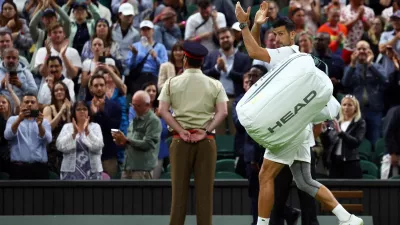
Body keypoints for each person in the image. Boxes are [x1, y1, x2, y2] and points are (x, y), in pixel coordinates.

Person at [235, 2, 363, 225]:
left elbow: (253, 51)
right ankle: (347, 218)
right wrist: (255, 25)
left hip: (288, 128)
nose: (276, 38)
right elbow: (254, 49)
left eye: (281, 34)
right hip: (300, 128)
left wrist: (244, 24)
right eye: (274, 34)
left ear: (292, 35)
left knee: (265, 175)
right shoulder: (295, 58)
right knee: (305, 181)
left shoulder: (286, 53)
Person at [158, 41, 228, 225]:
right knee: (205, 196)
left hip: (180, 141)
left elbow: (162, 110)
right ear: (202, 62)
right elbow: (223, 112)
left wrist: (181, 130)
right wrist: (205, 130)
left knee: (178, 196)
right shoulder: (215, 84)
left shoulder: (171, 83)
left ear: (185, 60)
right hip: (206, 141)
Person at [113, 91, 162, 179]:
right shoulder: (134, 120)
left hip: (142, 169)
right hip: (127, 167)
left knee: (140, 193)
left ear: (147, 105)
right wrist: (121, 142)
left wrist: (127, 140)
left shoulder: (153, 121)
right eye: (133, 105)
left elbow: (148, 144)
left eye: (138, 106)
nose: (134, 108)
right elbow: (130, 143)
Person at [56, 101, 104, 180]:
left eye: (84, 109)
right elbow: (59, 146)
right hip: (70, 172)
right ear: (74, 112)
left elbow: (99, 146)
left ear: (88, 111)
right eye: (78, 109)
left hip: (92, 171)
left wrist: (88, 132)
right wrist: (73, 134)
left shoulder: (95, 127)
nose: (82, 111)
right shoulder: (67, 127)